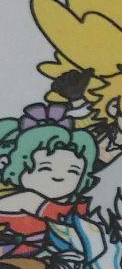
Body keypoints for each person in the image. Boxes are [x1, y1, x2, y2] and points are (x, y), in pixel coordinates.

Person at [0, 104, 96, 255]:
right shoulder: (29, 198)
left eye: (73, 171)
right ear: (20, 167)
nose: (59, 176)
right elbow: (61, 214)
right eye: (45, 168)